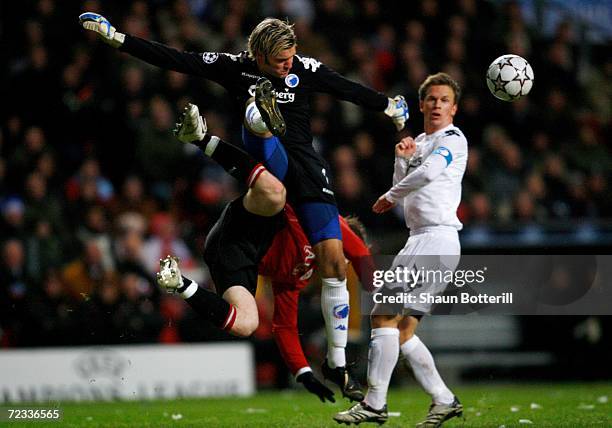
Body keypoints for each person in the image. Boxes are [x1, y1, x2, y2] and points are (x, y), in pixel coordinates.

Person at [79, 12, 409, 396]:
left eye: (291, 57)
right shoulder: (234, 67)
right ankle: (259, 118)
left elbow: (345, 88)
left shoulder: (304, 69)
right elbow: (176, 58)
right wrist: (118, 37)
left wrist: (386, 104)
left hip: (305, 169)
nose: (289, 65)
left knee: (333, 261)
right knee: (258, 131)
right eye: (280, 61)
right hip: (266, 159)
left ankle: (336, 363)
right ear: (258, 55)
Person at [158, 103, 372, 401]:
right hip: (250, 222)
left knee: (246, 323)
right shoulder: (323, 222)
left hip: (230, 255)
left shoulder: (298, 275)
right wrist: (381, 290)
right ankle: (203, 138)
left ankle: (178, 283)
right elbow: (358, 250)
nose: (339, 261)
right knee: (275, 192)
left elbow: (285, 326)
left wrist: (304, 374)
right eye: (342, 253)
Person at [334, 73, 467, 427]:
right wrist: (402, 160)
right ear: (422, 105)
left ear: (454, 108)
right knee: (403, 330)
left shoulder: (453, 139)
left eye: (444, 100)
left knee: (381, 314)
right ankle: (444, 399)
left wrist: (390, 195)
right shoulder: (420, 141)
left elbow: (425, 177)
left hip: (436, 239)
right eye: (432, 99)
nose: (437, 104)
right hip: (422, 239)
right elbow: (405, 184)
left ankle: (375, 404)